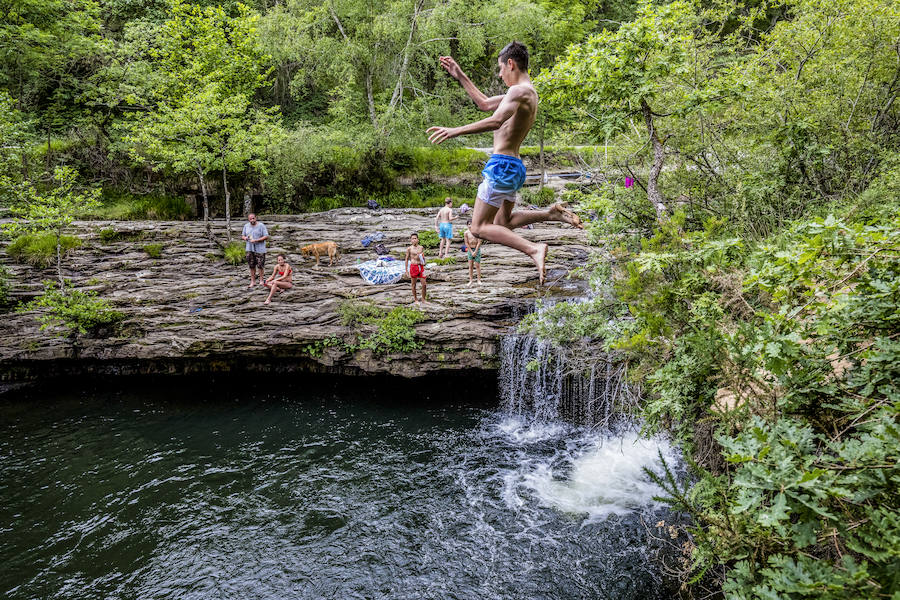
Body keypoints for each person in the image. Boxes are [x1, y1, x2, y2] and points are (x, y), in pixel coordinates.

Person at [426, 42, 583, 284]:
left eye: (501, 69)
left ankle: (534, 249)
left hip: (501, 166)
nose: (500, 75)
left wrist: (454, 130)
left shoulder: (519, 92)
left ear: (511, 64)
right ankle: (550, 214)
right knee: (503, 223)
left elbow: (496, 120)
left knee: (478, 227)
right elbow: (485, 104)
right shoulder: (527, 92)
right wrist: (460, 74)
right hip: (514, 167)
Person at [241, 213, 269, 288]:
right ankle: (253, 281)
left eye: (253, 218)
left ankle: (261, 280)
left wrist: (256, 240)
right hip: (249, 249)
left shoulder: (261, 226)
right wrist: (246, 238)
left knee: (260, 265)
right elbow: (242, 236)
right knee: (251, 265)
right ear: (248, 219)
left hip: (260, 249)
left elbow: (266, 236)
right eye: (250, 219)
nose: (252, 220)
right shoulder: (246, 226)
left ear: (256, 218)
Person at [404, 233, 427, 304]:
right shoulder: (409, 249)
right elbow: (406, 259)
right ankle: (416, 300)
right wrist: (406, 271)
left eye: (415, 238)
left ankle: (423, 299)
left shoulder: (421, 247)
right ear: (410, 240)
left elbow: (423, 257)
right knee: (413, 284)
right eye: (412, 239)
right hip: (413, 267)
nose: (414, 240)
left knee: (424, 284)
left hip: (421, 266)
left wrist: (424, 262)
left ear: (418, 239)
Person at [463, 220, 483, 286]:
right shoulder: (466, 233)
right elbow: (466, 242)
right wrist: (471, 252)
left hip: (477, 249)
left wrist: (475, 251)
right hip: (470, 250)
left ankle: (479, 280)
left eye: (471, 224)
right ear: (467, 225)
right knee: (470, 266)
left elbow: (479, 242)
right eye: (469, 224)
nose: (470, 225)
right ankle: (470, 280)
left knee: (477, 265)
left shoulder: (477, 232)